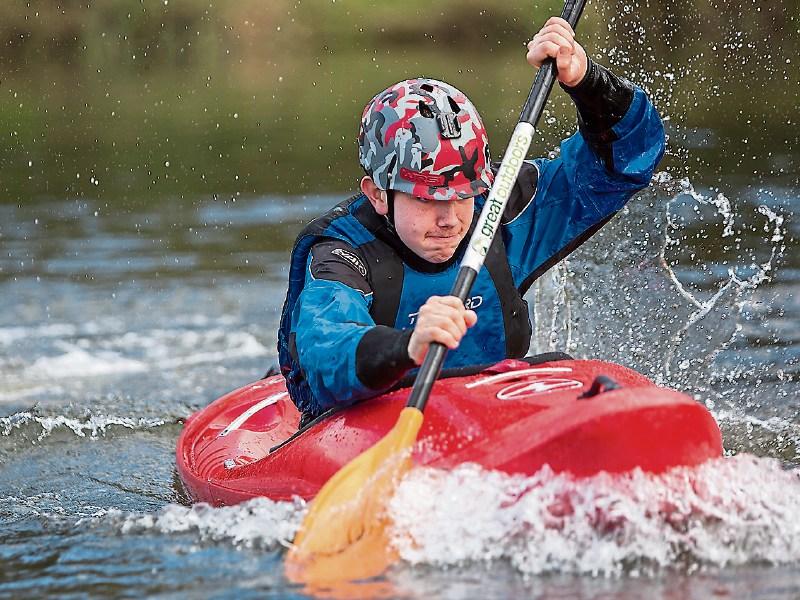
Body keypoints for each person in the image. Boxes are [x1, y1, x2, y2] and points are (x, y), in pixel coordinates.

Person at [277, 17, 665, 422]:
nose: (450, 219)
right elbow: (326, 350)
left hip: (496, 405)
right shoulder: (341, 252)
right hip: (379, 412)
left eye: (463, 196)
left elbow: (628, 161)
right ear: (378, 194)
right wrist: (408, 346)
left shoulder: (500, 207)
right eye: (428, 199)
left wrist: (586, 82)